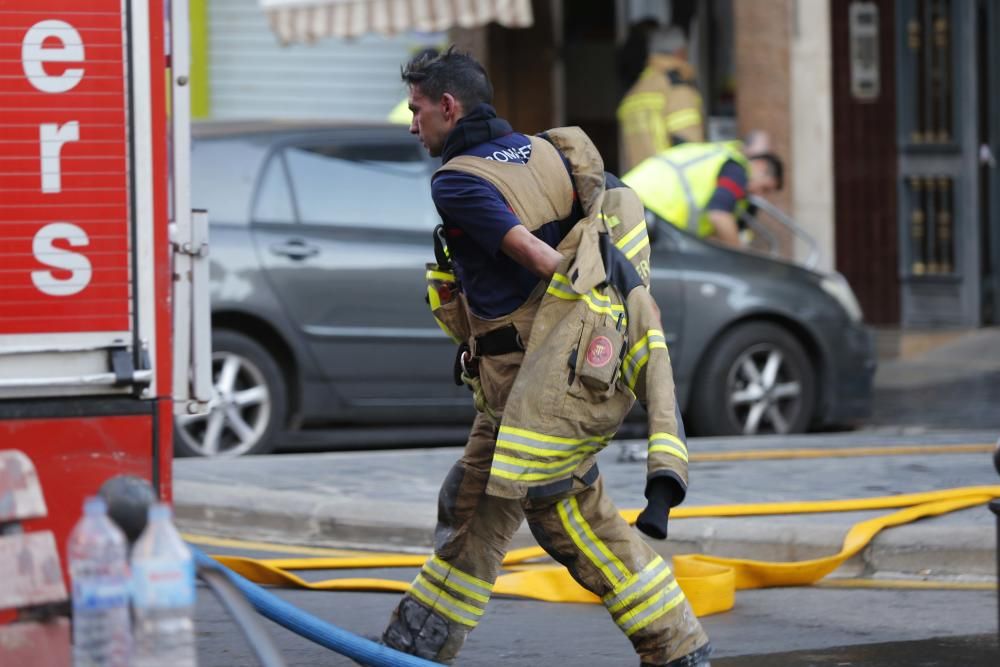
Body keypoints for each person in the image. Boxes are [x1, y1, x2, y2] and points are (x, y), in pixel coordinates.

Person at [378, 47, 711, 667]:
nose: (412, 123)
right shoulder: (548, 150)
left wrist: (594, 282)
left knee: (569, 519)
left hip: (541, 391)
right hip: (544, 381)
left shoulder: (457, 181)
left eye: (417, 109)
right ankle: (412, 648)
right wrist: (617, 294)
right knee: (471, 503)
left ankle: (678, 648)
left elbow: (536, 257)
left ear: (449, 108)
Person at [622, 138, 783, 248]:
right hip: (643, 207)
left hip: (635, 204)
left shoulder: (722, 160)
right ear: (760, 166)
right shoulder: (736, 169)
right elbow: (719, 215)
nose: (760, 195)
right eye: (765, 188)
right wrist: (740, 260)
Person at [617, 26, 705, 173]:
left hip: (639, 187)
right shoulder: (675, 87)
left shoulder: (634, 93)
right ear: (680, 53)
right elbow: (689, 147)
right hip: (673, 185)